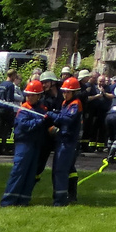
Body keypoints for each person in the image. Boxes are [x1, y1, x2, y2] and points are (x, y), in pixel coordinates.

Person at [0, 81, 50, 206]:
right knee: (19, 171)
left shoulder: (42, 109)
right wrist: (40, 121)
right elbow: (24, 126)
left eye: (32, 95)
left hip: (36, 144)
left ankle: (23, 199)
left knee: (31, 172)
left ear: (39, 96)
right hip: (24, 144)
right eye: (27, 94)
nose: (29, 97)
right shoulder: (24, 109)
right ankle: (8, 201)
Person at [48, 77, 82, 205]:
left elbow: (67, 119)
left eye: (68, 92)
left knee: (62, 170)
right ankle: (61, 195)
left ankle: (61, 199)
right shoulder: (65, 103)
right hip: (62, 140)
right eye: (64, 91)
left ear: (74, 92)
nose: (65, 94)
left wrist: (52, 115)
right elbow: (61, 118)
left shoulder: (75, 104)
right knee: (59, 169)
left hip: (69, 142)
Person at [0, 70, 21, 154]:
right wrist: (11, 111)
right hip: (7, 110)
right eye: (15, 76)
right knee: (9, 129)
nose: (15, 78)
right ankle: (7, 148)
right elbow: (9, 99)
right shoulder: (10, 85)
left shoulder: (2, 84)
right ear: (12, 75)